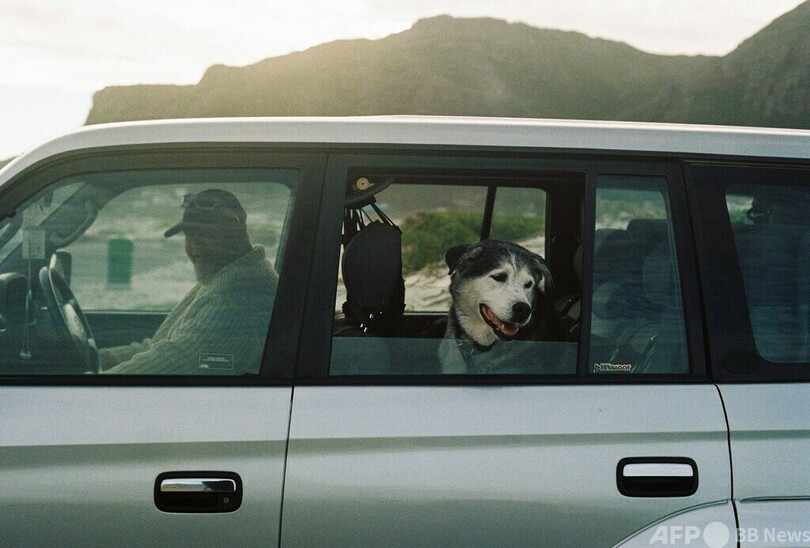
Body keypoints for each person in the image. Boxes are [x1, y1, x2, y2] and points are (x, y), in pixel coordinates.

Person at [102, 189, 278, 375]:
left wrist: (93, 382)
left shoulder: (240, 296)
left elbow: (176, 361)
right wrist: (99, 358)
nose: (194, 244)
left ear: (237, 233)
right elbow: (164, 344)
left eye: (206, 234)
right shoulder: (227, 275)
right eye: (189, 234)